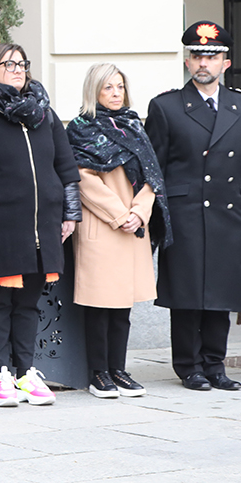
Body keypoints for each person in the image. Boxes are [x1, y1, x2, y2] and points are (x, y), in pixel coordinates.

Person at [0, 43, 81, 407]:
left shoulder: (45, 116)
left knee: (28, 303)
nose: (18, 69)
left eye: (22, 64)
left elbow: (67, 171)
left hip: (44, 228)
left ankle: (26, 373)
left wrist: (70, 214)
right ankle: (2, 375)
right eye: (9, 64)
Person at [144, 21, 241, 391]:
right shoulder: (167, 106)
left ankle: (215, 364)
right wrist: (155, 219)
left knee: (222, 290)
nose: (203, 63)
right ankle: (188, 366)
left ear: (226, 62)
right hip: (186, 212)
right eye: (197, 56)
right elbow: (154, 168)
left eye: (212, 56)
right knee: (188, 293)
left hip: (229, 212)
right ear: (187, 62)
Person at [66, 63, 171, 398]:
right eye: (107, 87)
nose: (115, 93)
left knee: (123, 306)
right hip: (102, 226)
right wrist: (119, 214)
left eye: (119, 87)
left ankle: (119, 370)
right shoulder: (81, 128)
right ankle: (99, 373)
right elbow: (82, 179)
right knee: (99, 306)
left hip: (132, 229)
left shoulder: (134, 127)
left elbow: (153, 177)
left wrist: (139, 213)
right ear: (93, 91)